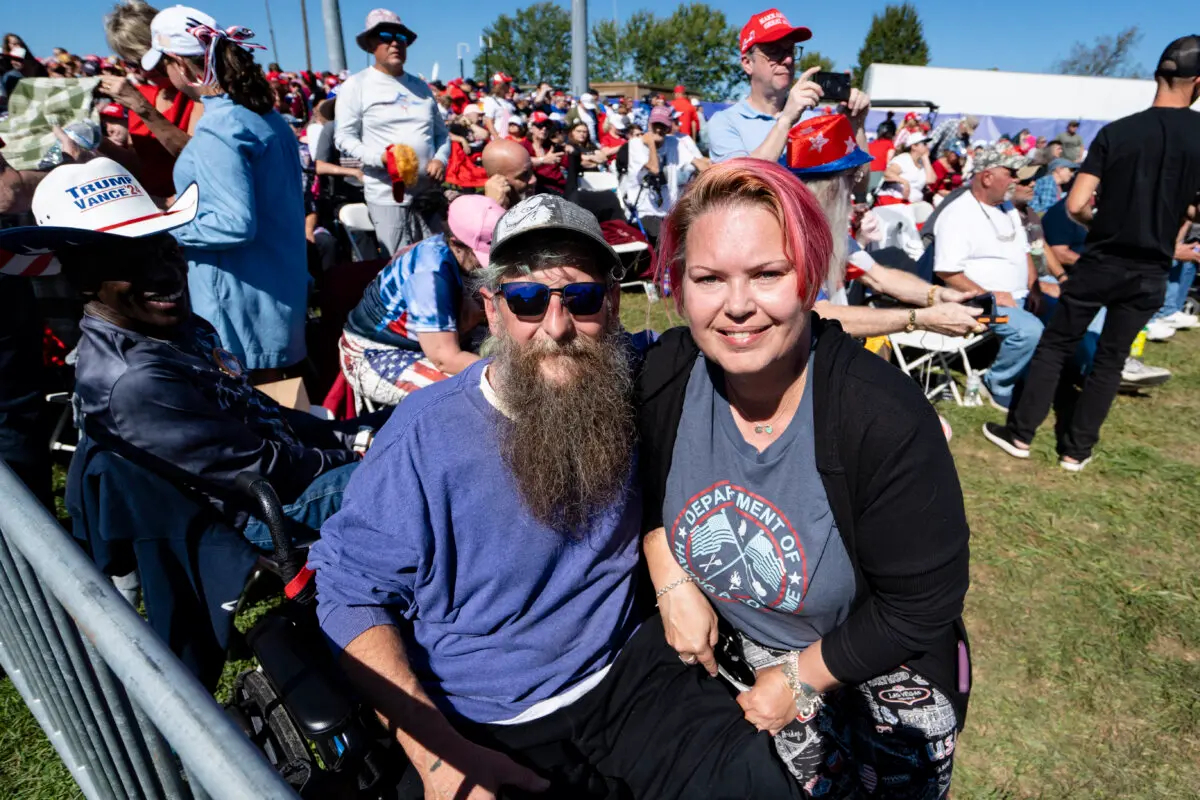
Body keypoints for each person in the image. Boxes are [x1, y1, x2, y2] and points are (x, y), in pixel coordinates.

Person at [308, 193, 805, 800]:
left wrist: (875, 401)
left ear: (612, 304)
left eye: (582, 298)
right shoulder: (423, 435)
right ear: (492, 311)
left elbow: (770, 329)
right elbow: (347, 591)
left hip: (632, 674)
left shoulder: (639, 373)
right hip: (488, 717)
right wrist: (437, 754)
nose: (557, 325)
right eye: (525, 299)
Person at [636, 158, 969, 797]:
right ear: (679, 287)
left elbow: (922, 603)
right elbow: (635, 484)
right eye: (708, 278)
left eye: (767, 274)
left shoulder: (880, 415)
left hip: (861, 665)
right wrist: (666, 564)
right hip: (720, 664)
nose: (737, 307)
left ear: (810, 274)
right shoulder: (666, 377)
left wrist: (799, 679)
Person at [0, 159, 385, 548]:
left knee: (424, 415)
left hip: (293, 472)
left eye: (167, 251)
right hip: (270, 513)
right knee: (424, 459)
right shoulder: (135, 379)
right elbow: (264, 473)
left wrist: (352, 438)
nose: (166, 275)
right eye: (131, 264)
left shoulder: (176, 328)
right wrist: (361, 455)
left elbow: (258, 410)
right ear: (81, 279)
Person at [986, 37, 1200, 471]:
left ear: (1159, 74)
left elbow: (1077, 204)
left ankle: (1021, 434)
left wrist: (1104, 225)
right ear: (1197, 82)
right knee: (1111, 358)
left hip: (1102, 259)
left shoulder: (1117, 132)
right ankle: (1075, 450)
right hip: (1152, 267)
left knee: (1056, 343)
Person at [155, 7, 307, 379]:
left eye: (163, 68)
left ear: (179, 63)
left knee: (254, 421)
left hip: (240, 311)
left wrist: (164, 224)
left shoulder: (221, 127)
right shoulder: (265, 117)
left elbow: (233, 225)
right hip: (274, 295)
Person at [786, 115, 984, 337]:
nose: (856, 185)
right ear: (830, 186)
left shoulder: (830, 229)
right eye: (853, 175)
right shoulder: (790, 235)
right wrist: (920, 318)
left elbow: (879, 277)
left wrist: (937, 295)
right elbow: (819, 314)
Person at [339, 195, 503, 407]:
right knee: (472, 394)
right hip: (375, 355)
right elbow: (445, 358)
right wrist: (508, 374)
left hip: (430, 340)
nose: (484, 267)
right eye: (479, 256)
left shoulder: (448, 252)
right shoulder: (429, 274)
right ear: (456, 243)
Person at [933, 146, 1045, 410]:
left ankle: (1049, 377)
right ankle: (997, 383)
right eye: (1011, 173)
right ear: (987, 177)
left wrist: (1035, 288)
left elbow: (1024, 252)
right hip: (979, 304)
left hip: (1019, 296)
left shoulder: (1008, 208)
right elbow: (947, 272)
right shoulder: (959, 213)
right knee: (1028, 331)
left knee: (1069, 312)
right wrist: (993, 296)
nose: (1016, 180)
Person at [335, 9, 449, 256]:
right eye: (385, 35)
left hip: (428, 194)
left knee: (436, 262)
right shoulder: (356, 85)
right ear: (370, 44)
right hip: (388, 197)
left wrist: (441, 158)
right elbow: (343, 138)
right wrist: (380, 158)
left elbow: (442, 135)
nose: (395, 42)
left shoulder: (421, 87)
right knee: (399, 265)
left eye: (401, 37)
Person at [709, 10, 867, 165]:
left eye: (790, 50)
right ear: (748, 63)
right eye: (775, 51)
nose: (789, 60)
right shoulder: (725, 122)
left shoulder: (813, 121)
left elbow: (858, 186)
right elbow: (741, 183)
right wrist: (785, 121)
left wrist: (855, 124)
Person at [100, 1, 203, 199]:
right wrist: (99, 142)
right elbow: (141, 165)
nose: (144, 69)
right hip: (157, 207)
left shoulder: (196, 90)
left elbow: (195, 157)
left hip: (191, 205)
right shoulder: (142, 94)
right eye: (133, 63)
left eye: (146, 57)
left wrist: (142, 107)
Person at [620, 106, 706, 243]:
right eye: (655, 125)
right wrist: (652, 144)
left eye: (663, 126)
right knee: (668, 239)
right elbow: (654, 168)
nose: (659, 129)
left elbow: (699, 164)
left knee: (698, 232)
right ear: (649, 125)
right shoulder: (635, 145)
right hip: (643, 211)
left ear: (668, 128)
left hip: (668, 211)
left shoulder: (674, 143)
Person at [881, 134, 936, 208]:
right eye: (924, 144)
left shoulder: (922, 163)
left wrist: (925, 158)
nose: (927, 147)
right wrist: (905, 182)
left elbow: (931, 180)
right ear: (914, 146)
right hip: (896, 201)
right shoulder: (903, 159)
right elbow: (887, 174)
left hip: (914, 203)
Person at [482, 138, 536, 210]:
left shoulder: (547, 197)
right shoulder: (475, 214)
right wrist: (495, 208)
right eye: (524, 175)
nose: (534, 179)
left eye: (532, 169)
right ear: (497, 179)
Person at [523, 111, 567, 196]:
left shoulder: (553, 146)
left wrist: (571, 150)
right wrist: (543, 160)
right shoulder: (523, 146)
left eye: (547, 126)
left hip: (558, 190)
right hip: (535, 193)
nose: (544, 129)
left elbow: (567, 162)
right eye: (540, 125)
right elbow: (520, 163)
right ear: (531, 127)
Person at [481, 72, 516, 140]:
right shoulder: (490, 100)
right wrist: (496, 137)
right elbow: (488, 121)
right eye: (507, 84)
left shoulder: (508, 102)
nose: (509, 86)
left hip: (511, 138)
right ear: (500, 85)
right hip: (500, 138)